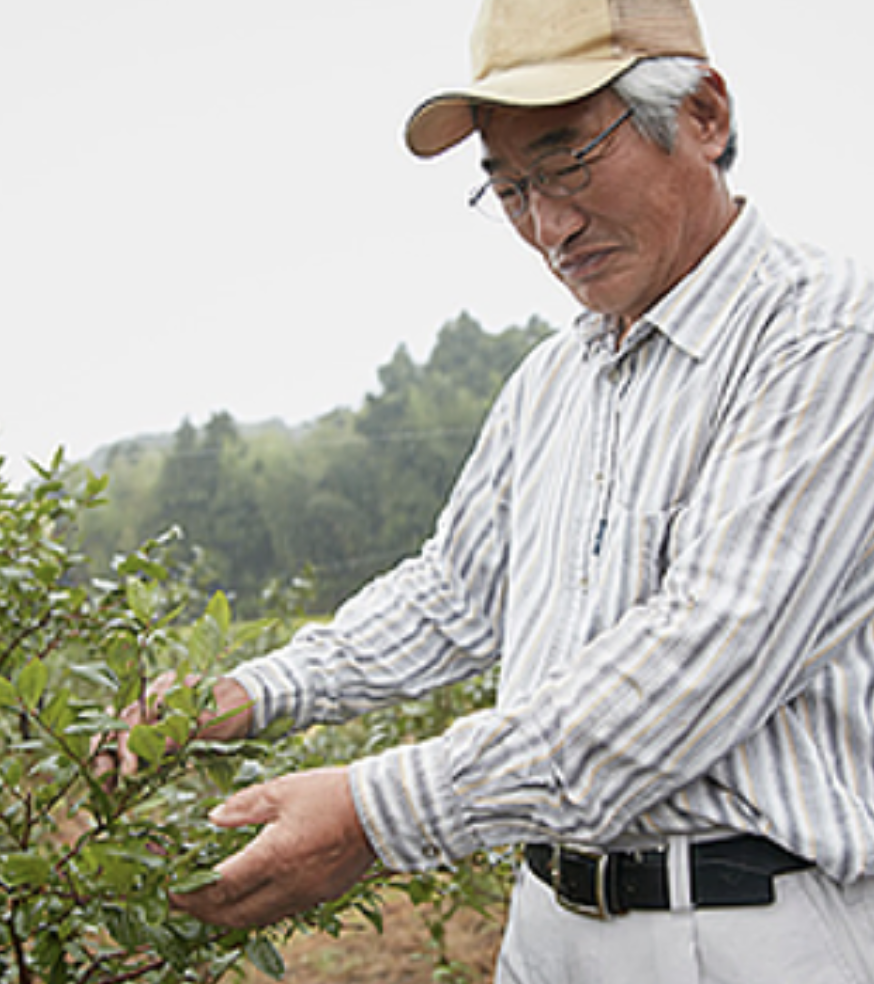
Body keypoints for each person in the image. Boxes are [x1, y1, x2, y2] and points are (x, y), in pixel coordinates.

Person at [106, 0, 874, 980]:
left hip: (751, 927)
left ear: (705, 117)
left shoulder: (825, 340)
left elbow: (706, 653)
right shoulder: (553, 383)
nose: (547, 225)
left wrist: (377, 812)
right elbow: (454, 596)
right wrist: (249, 692)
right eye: (509, 188)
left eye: (567, 163)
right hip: (549, 922)